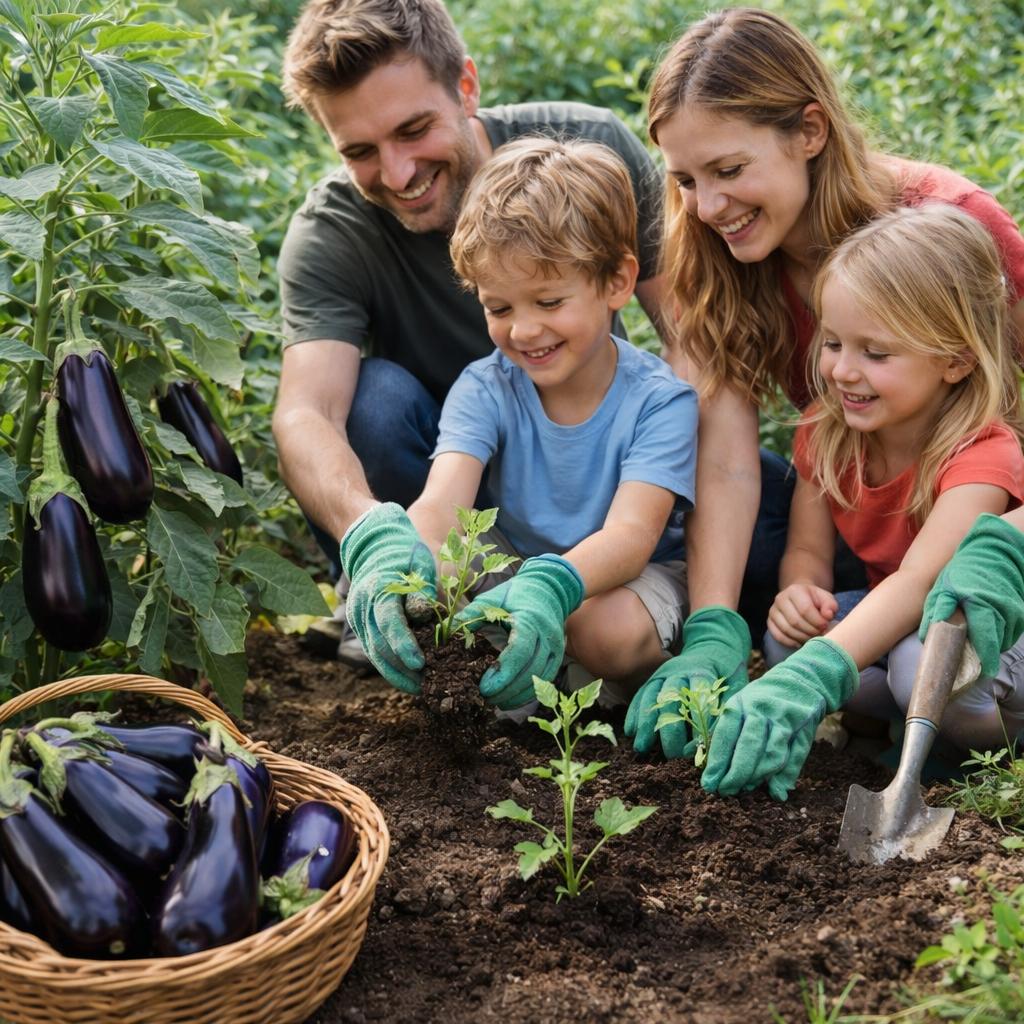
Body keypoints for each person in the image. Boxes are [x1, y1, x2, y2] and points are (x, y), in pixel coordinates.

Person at [624, 6, 1024, 758]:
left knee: (923, 657)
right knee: (725, 534)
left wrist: (1002, 542)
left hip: (980, 509)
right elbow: (729, 459)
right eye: (685, 180)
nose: (708, 208)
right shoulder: (716, 258)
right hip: (866, 496)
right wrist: (715, 628)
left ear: (810, 132)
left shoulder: (953, 227)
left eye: (730, 170)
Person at [272, 0, 668, 668]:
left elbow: (693, 344)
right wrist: (371, 532)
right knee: (373, 402)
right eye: (360, 152)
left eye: (413, 129)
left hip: (600, 477)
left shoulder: (585, 156)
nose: (397, 174)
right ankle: (414, 604)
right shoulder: (332, 233)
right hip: (447, 486)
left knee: (770, 514)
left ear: (467, 87)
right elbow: (306, 413)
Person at [346, 137, 698, 709]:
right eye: (500, 308)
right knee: (436, 566)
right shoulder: (486, 385)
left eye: (550, 302)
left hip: (626, 580)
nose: (525, 331)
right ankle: (522, 676)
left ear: (616, 282)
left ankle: (641, 694)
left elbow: (632, 538)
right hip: (519, 565)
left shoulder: (661, 400)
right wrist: (402, 557)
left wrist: (550, 584)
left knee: (600, 632)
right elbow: (441, 504)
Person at [699, 204, 1024, 800]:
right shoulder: (829, 433)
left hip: (987, 631)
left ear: (954, 359)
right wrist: (800, 591)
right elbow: (805, 550)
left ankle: (990, 742)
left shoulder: (983, 456)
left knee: (916, 668)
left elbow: (923, 581)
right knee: (787, 640)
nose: (844, 371)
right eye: (832, 343)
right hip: (904, 620)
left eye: (876, 354)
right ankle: (901, 726)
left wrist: (816, 675)